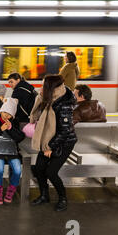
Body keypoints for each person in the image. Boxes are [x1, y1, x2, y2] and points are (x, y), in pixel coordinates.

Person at [29, 74, 77, 212]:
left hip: (64, 143)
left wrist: (50, 147)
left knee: (51, 172)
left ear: (51, 87)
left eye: (43, 85)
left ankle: (63, 198)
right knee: (38, 168)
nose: (41, 87)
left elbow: (65, 131)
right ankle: (44, 196)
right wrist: (40, 97)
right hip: (48, 140)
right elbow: (36, 115)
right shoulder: (48, 98)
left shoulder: (64, 104)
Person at [0, 98, 25, 205]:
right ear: (1, 110)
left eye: (9, 114)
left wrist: (11, 129)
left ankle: (11, 191)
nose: (6, 116)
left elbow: (20, 137)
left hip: (12, 152)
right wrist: (0, 129)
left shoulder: (14, 122)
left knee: (17, 170)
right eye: (5, 112)